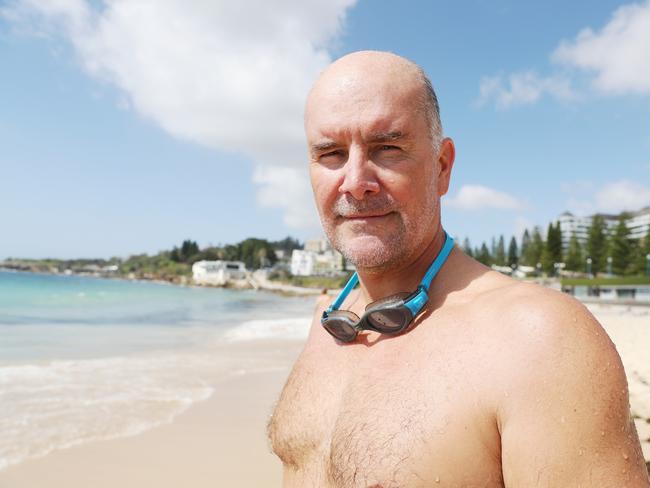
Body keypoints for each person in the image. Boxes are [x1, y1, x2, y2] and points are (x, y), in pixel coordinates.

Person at [268, 51, 649, 487]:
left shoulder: (539, 340)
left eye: (387, 148)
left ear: (442, 167)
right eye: (331, 154)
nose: (355, 181)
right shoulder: (326, 323)